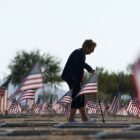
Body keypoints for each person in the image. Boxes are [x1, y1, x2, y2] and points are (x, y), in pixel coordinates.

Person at [61, 39, 96, 122]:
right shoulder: (79, 53)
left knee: (80, 97)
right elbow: (80, 63)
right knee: (77, 97)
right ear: (87, 47)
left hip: (74, 78)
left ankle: (84, 118)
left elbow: (79, 66)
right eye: (92, 49)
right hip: (71, 77)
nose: (93, 51)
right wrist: (90, 69)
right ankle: (71, 119)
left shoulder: (80, 53)